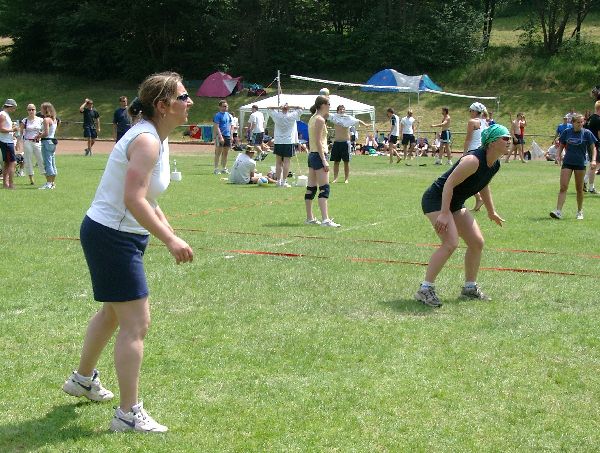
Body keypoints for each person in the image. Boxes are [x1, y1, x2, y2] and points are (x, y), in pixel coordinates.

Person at [62, 72, 194, 433]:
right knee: (136, 324)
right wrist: (170, 241)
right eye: (183, 97)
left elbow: (149, 198)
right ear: (162, 105)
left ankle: (82, 380)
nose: (190, 102)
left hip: (118, 235)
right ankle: (128, 414)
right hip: (112, 237)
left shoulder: (157, 138)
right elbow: (133, 199)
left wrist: (171, 234)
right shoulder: (147, 141)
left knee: (112, 313)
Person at [414, 124, 511, 308]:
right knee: (450, 243)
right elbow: (448, 184)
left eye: (509, 138)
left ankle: (469, 288)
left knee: (477, 242)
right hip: (436, 200)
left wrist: (491, 211)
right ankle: (425, 289)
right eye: (505, 138)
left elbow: (483, 184)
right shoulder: (472, 160)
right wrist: (444, 213)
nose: (509, 141)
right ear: (492, 142)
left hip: (455, 203)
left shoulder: (495, 164)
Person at [550, 114, 597, 220]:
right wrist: (558, 155)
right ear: (573, 123)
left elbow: (593, 148)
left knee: (579, 189)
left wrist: (593, 160)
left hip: (580, 164)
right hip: (567, 162)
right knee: (563, 187)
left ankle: (580, 211)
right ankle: (558, 211)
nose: (580, 124)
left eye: (582, 122)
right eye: (578, 122)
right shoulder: (567, 132)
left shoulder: (587, 133)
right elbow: (561, 145)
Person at [305, 96, 339, 227]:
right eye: (329, 104)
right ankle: (325, 219)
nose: (330, 106)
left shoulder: (313, 118)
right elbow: (319, 141)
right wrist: (324, 160)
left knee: (311, 188)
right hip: (319, 155)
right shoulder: (319, 119)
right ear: (323, 105)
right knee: (324, 188)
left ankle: (310, 218)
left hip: (312, 155)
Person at [329, 104, 369, 183]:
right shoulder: (334, 117)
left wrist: (365, 124)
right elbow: (325, 114)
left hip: (345, 142)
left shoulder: (348, 118)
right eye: (340, 109)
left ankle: (346, 179)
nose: (342, 110)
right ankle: (335, 178)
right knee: (336, 162)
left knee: (346, 162)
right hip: (337, 142)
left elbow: (357, 120)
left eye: (343, 109)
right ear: (337, 111)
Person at [267, 103, 302, 187]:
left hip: (278, 141)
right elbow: (301, 108)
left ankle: (279, 181)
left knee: (278, 162)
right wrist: (292, 106)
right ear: (288, 108)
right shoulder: (292, 115)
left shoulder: (277, 115)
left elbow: (269, 108)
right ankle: (284, 181)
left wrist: (278, 107)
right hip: (288, 141)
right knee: (286, 162)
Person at [463, 102, 488, 210]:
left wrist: (464, 154)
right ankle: (479, 199)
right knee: (476, 178)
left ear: (474, 111)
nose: (469, 113)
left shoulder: (472, 122)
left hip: (473, 152)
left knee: (465, 178)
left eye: (470, 111)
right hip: (482, 152)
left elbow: (468, 139)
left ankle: (479, 198)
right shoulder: (485, 122)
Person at [19, 104, 44, 185]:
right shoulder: (25, 120)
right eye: (29, 110)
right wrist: (18, 142)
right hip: (27, 142)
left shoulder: (40, 120)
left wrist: (41, 135)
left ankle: (47, 177)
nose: (31, 111)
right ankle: (31, 179)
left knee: (41, 159)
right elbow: (21, 132)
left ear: (35, 110)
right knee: (28, 160)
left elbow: (45, 130)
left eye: (32, 109)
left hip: (37, 142)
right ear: (27, 111)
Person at [38, 102, 59, 189]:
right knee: (52, 162)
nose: (40, 110)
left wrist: (38, 136)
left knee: (47, 163)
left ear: (45, 109)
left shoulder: (46, 120)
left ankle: (49, 183)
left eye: (41, 108)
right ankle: (52, 182)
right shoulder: (54, 120)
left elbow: (46, 133)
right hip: (52, 142)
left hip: (46, 142)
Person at [0, 99, 19, 189]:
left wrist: (12, 128)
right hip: (6, 142)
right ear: (10, 106)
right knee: (12, 163)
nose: (14, 110)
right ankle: (10, 184)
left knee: (7, 163)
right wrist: (12, 129)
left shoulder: (5, 115)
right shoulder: (3, 115)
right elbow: (1, 129)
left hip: (7, 141)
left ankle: (5, 184)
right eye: (14, 108)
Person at [583, 100, 600, 193]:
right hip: (596, 145)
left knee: (594, 165)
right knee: (595, 165)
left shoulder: (590, 118)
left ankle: (587, 184)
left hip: (589, 144)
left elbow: (584, 129)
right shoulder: (598, 119)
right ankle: (588, 185)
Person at [212, 99, 232, 174]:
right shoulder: (217, 115)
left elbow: (230, 125)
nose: (225, 108)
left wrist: (231, 135)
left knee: (225, 153)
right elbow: (216, 127)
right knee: (218, 152)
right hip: (220, 135)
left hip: (227, 135)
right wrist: (220, 137)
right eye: (224, 106)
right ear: (220, 107)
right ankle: (216, 169)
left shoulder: (228, 115)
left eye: (226, 106)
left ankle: (224, 168)